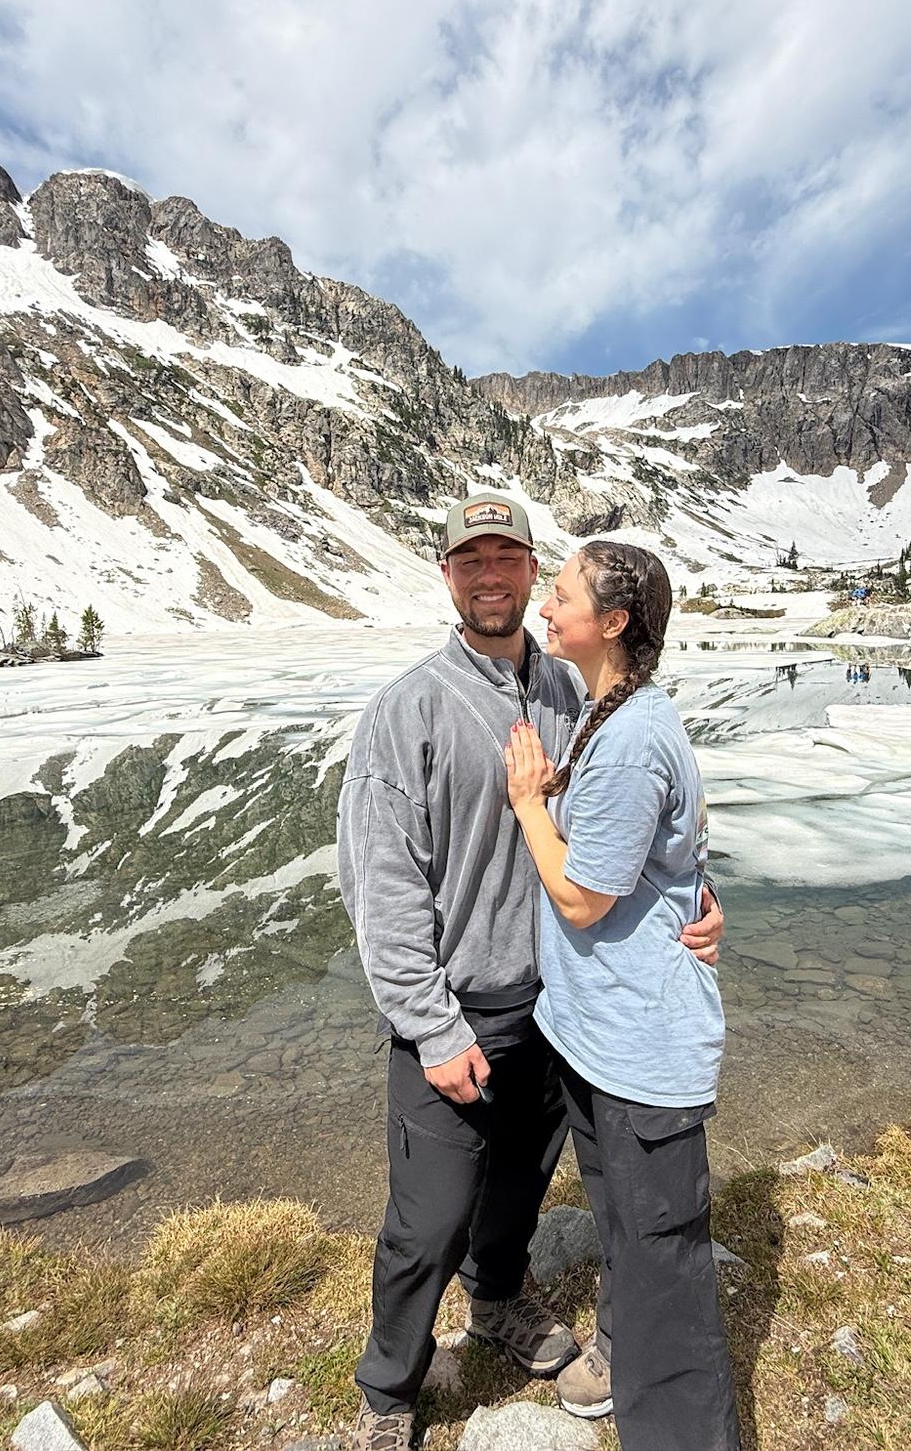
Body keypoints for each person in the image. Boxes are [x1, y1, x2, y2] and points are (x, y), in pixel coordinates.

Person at [337, 496, 725, 1451]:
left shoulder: (574, 689)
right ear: (447, 575)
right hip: (458, 1008)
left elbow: (636, 825)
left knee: (518, 1184)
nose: (492, 577)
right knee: (428, 1218)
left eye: (507, 558)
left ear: (527, 567)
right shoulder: (408, 709)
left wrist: (698, 899)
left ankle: (497, 1301)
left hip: (555, 1009)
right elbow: (381, 884)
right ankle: (389, 1388)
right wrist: (431, 1026)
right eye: (470, 560)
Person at [504, 539, 741, 1451]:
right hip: (599, 1036)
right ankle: (619, 1353)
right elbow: (669, 858)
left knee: (663, 1262)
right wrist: (696, 894)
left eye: (561, 594)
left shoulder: (633, 737)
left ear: (612, 622)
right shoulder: (607, 712)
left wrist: (530, 803)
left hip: (642, 1049)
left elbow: (582, 896)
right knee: (625, 1231)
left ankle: (677, 1431)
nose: (545, 605)